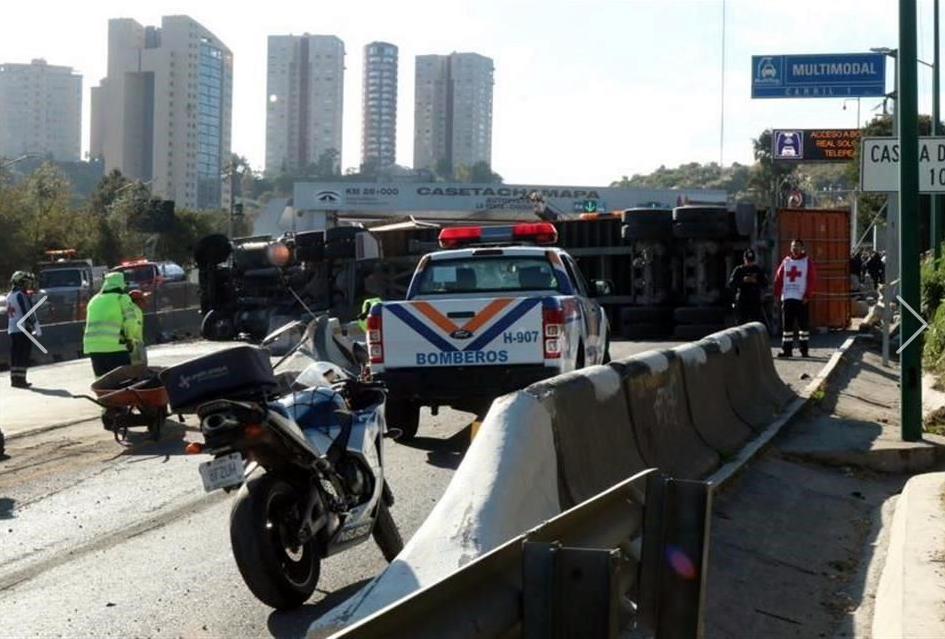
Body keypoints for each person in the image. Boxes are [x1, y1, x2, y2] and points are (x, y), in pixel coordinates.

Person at [83, 272, 139, 377]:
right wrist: (130, 339)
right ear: (120, 284)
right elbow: (131, 322)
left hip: (94, 348)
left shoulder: (93, 300)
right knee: (123, 381)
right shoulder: (122, 298)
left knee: (102, 381)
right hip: (115, 347)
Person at [774, 238, 817, 358]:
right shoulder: (786, 262)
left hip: (801, 299)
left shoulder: (807, 262)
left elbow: (812, 279)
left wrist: (808, 295)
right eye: (793, 246)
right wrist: (777, 294)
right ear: (790, 248)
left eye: (797, 246)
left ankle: (804, 350)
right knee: (787, 327)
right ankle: (787, 350)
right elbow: (778, 278)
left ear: (802, 248)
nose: (795, 249)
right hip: (787, 298)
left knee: (803, 327)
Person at [6, 271, 41, 389]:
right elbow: (28, 311)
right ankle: (21, 379)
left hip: (12, 328)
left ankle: (14, 379)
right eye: (26, 282)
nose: (28, 285)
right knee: (23, 354)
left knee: (15, 354)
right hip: (23, 329)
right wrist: (35, 323)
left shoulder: (9, 295)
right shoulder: (21, 295)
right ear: (20, 282)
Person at [728, 249, 769, 325]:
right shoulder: (739, 270)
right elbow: (731, 284)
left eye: (751, 261)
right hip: (743, 299)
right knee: (741, 321)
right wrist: (742, 281)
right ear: (744, 259)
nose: (749, 263)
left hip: (755, 299)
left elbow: (765, 283)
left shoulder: (758, 269)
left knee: (756, 321)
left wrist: (756, 281)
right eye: (748, 260)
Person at [127, 289, 148, 367]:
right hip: (136, 345)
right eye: (143, 300)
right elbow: (132, 329)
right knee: (140, 370)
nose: (145, 302)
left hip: (132, 345)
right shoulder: (136, 311)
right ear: (138, 301)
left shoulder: (128, 309)